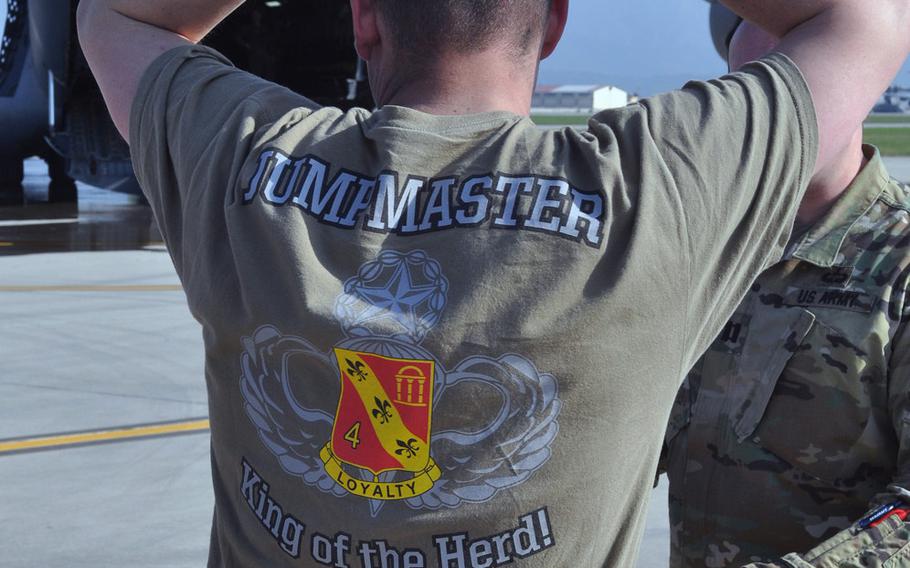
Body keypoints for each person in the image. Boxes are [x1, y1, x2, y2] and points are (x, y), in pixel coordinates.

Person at [76, 0, 910, 565]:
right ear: (552, 24)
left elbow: (111, 15)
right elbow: (869, 20)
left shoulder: (245, 157)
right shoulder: (654, 193)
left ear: (363, 20)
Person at [662, 17, 910, 568]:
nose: (783, 120)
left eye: (807, 84)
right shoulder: (699, 250)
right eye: (759, 92)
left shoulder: (899, 260)